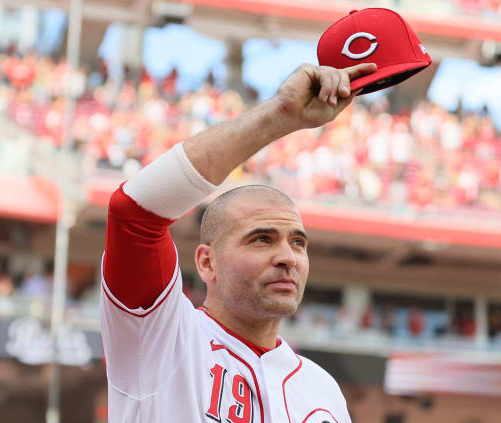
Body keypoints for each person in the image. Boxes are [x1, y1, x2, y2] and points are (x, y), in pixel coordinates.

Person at [101, 62, 377, 423]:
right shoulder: (160, 337)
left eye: (298, 243)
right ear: (206, 263)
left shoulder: (322, 390)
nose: (287, 257)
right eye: (261, 239)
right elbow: (135, 212)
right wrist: (280, 116)